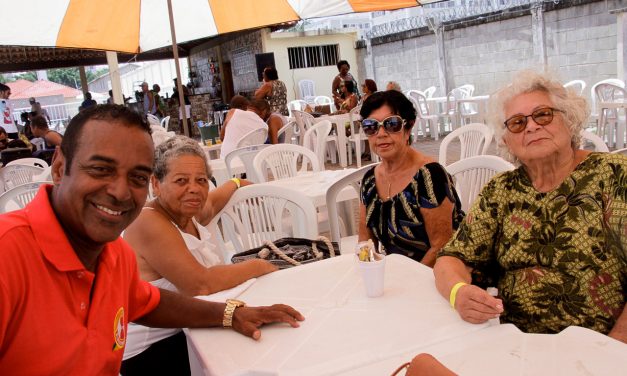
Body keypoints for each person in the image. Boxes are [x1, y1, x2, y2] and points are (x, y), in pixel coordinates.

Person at [0, 104, 304, 374]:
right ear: (59, 168)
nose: (120, 192)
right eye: (101, 169)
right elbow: (198, 284)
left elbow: (149, 304)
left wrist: (230, 314)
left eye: (136, 177)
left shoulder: (113, 254)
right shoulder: (8, 254)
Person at [434, 70, 626, 343]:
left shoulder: (615, 177)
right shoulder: (501, 191)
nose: (532, 127)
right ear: (506, 140)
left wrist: (613, 350)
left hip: (600, 346)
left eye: (543, 115)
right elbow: (451, 258)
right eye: (517, 123)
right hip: (516, 344)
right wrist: (458, 292)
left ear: (569, 120)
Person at [121, 136, 277, 373]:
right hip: (155, 350)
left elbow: (213, 203)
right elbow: (201, 284)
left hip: (192, 328)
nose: (193, 188)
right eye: (181, 180)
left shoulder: (185, 212)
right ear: (156, 183)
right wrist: (261, 265)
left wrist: (236, 182)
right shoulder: (146, 221)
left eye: (201, 180)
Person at [358, 90, 464, 266]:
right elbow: (364, 241)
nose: (381, 133)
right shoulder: (370, 181)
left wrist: (406, 282)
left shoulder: (429, 176)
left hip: (438, 274)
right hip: (395, 275)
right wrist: (368, 271)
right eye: (371, 126)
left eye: (392, 124)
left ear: (408, 128)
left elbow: (441, 247)